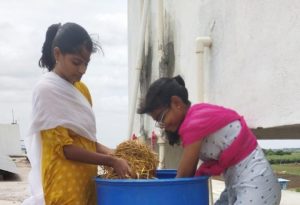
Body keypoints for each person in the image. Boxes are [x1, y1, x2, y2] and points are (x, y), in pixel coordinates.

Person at [23, 22, 132, 205]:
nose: (82, 70)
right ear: (57, 54)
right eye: (76, 62)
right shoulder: (46, 90)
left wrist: (114, 153)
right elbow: (66, 149)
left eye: (86, 63)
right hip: (63, 183)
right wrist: (110, 161)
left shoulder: (82, 90)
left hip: (87, 181)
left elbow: (85, 140)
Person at [138, 75, 281, 205]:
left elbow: (185, 174)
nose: (162, 126)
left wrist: (164, 197)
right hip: (239, 182)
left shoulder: (193, 123)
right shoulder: (197, 115)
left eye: (161, 118)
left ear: (177, 103)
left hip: (255, 183)